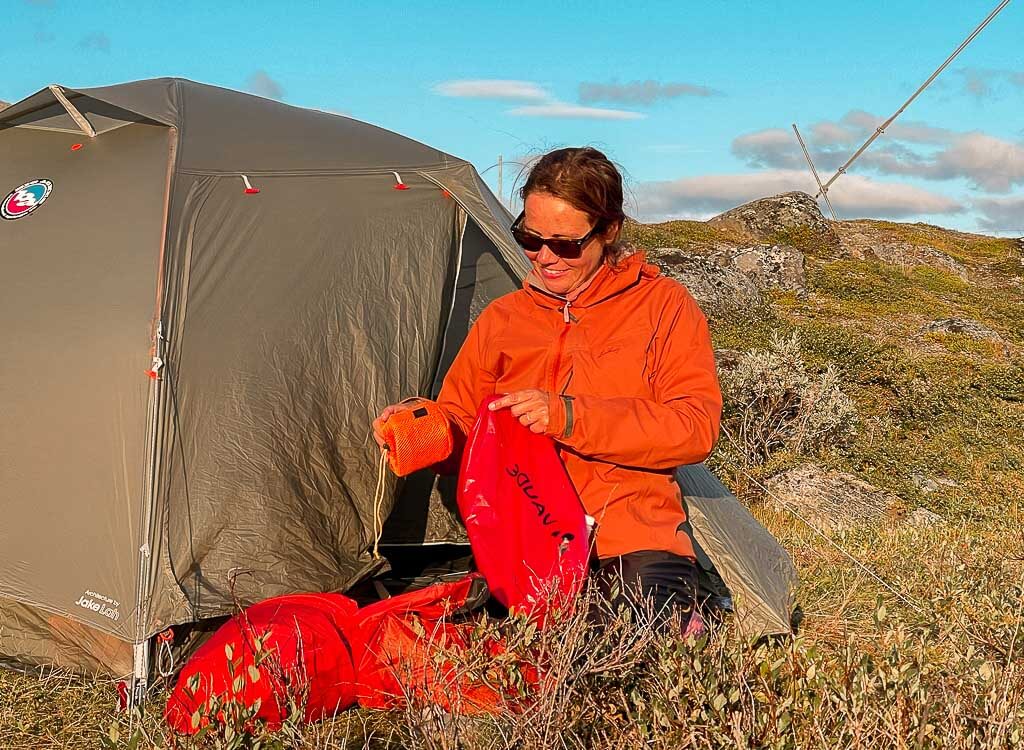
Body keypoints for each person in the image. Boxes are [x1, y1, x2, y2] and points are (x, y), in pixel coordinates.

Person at [374, 147, 722, 625]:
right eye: (530, 238)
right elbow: (462, 423)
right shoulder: (504, 319)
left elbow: (693, 428)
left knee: (618, 670)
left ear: (609, 231)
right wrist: (422, 430)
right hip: (525, 544)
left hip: (633, 542)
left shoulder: (663, 307)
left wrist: (569, 416)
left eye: (566, 244)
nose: (543, 257)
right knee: (503, 672)